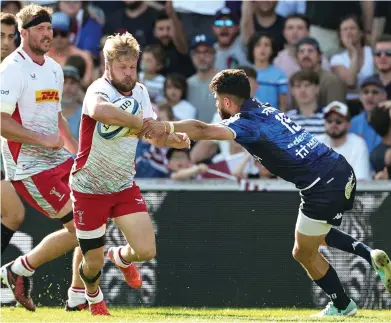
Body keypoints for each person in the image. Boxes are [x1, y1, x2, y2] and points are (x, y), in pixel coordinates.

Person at [140, 69, 391, 317]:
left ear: (227, 101)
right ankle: (369, 255)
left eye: (217, 100)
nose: (217, 105)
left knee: (302, 251)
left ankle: (342, 304)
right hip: (340, 169)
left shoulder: (246, 123)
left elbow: (204, 130)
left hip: (319, 185)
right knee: (316, 235)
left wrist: (164, 126)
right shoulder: (265, 107)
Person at [69, 32, 190, 316]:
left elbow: (152, 134)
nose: (128, 73)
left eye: (132, 67)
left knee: (147, 251)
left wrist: (173, 139)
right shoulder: (97, 90)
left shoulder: (141, 92)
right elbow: (101, 111)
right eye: (122, 67)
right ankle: (92, 294)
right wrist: (142, 122)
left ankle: (120, 257)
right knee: (92, 263)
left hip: (123, 186)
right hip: (89, 187)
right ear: (107, 66)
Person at [0, 4, 85, 312]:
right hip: (29, 168)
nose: (48, 34)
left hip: (58, 160)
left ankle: (22, 271)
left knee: (94, 220)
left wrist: (74, 147)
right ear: (23, 33)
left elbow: (56, 116)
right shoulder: (12, 67)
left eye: (50, 28)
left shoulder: (53, 68)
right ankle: (22, 270)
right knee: (83, 226)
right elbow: (1, 121)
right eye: (40, 28)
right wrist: (41, 140)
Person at [0, 12, 25, 253]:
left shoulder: (14, 70)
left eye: (10, 36)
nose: (6, 42)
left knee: (14, 214)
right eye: (0, 36)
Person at [317, 101, 371, 180]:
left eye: (338, 121)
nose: (333, 125)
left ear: (348, 124)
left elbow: (360, 181)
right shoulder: (316, 143)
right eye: (329, 121)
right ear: (324, 123)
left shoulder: (358, 144)